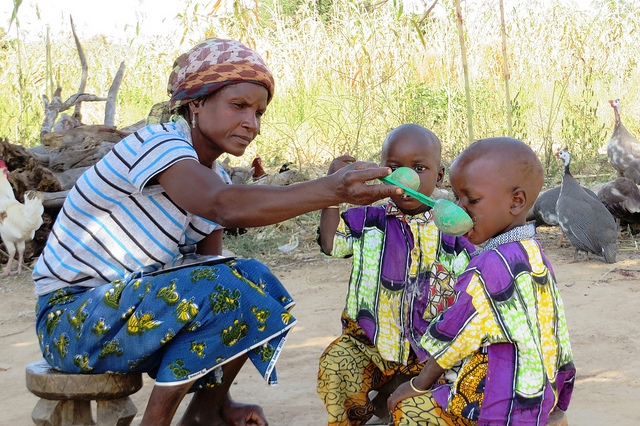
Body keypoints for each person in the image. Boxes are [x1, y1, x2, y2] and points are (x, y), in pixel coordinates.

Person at [32, 38, 402, 426]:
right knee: (224, 284)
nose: (251, 123)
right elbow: (220, 204)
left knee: (252, 280)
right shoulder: (157, 144)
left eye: (259, 112)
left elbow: (213, 270)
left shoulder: (214, 176)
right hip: (70, 320)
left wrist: (224, 400)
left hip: (126, 317)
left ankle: (207, 413)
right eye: (238, 106)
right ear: (196, 103)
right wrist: (332, 190)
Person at [387, 137, 576, 426]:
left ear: (516, 201)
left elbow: (456, 335)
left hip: (503, 405)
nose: (460, 209)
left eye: (471, 200)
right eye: (457, 198)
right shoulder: (531, 252)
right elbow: (555, 330)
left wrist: (415, 386)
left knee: (408, 412)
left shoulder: (489, 265)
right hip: (540, 393)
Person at [316, 124, 475, 426]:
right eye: (394, 168)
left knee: (429, 407)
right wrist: (332, 189)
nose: (407, 179)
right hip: (372, 347)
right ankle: (363, 419)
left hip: (431, 356)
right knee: (337, 365)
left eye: (419, 168)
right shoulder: (367, 220)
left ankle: (395, 405)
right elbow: (331, 244)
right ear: (380, 172)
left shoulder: (454, 232)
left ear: (439, 176)